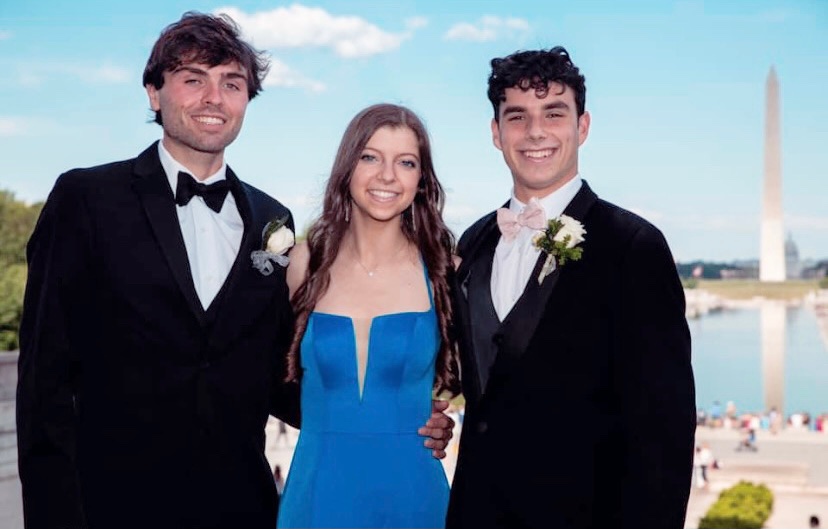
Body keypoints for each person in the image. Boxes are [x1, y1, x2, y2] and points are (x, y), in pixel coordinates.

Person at [16, 13, 452, 529]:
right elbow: (44, 382)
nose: (213, 98)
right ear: (154, 93)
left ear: (247, 100)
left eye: (231, 83)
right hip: (115, 503)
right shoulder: (87, 200)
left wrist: (400, 415)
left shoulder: (272, 223)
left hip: (241, 505)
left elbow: (274, 371)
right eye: (193, 79)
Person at [446, 47, 696, 528]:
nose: (535, 132)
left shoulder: (634, 246)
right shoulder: (474, 241)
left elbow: (664, 430)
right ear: (496, 134)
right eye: (517, 117)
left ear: (582, 127)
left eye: (553, 113)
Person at [277, 103, 460, 528]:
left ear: (421, 179)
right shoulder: (303, 263)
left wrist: (444, 418)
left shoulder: (444, 271)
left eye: (406, 162)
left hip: (414, 498)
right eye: (370, 157)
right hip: (317, 497)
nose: (387, 176)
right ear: (347, 167)